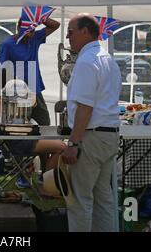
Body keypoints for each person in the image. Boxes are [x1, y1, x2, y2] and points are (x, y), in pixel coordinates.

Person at [61, 13, 122, 232]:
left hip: (91, 136)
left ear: (85, 31)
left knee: (79, 200)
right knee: (104, 198)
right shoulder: (108, 59)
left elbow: (85, 107)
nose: (68, 37)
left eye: (71, 32)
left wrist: (74, 143)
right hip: (109, 134)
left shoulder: (87, 61)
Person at [0, 17, 60, 185]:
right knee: (19, 134)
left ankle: (45, 175)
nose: (30, 34)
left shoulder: (36, 38)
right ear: (18, 28)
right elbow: (0, 71)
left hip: (36, 91)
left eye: (33, 30)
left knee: (46, 130)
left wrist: (39, 17)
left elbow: (55, 25)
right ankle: (22, 175)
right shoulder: (7, 44)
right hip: (17, 96)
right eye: (27, 31)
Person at [0, 74, 66, 194]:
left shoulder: (1, 99)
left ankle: (45, 180)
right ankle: (47, 187)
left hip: (21, 139)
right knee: (62, 147)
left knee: (50, 147)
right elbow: (14, 117)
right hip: (17, 143)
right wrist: (27, 100)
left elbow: (31, 105)